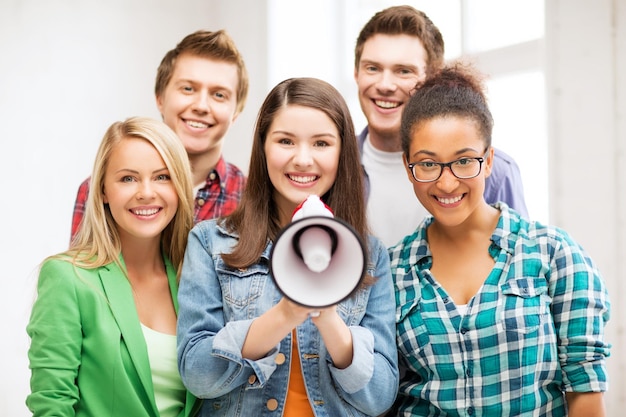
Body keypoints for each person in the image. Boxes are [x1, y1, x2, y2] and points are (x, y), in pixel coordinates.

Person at [389, 63, 611, 416]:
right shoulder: (392, 270)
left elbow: (585, 392)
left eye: (464, 161)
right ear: (407, 166)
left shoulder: (555, 254)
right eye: (428, 164)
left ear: (489, 160)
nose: (447, 184)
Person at [176, 77, 399, 416]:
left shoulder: (369, 256)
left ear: (342, 152)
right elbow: (197, 373)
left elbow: (380, 396)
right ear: (263, 146)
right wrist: (286, 314)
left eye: (322, 144)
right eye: (285, 141)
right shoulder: (210, 242)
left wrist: (326, 314)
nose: (303, 159)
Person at [27, 117, 201, 416]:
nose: (146, 192)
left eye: (162, 177)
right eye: (128, 178)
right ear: (103, 190)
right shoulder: (68, 277)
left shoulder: (197, 278)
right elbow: (51, 403)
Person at [354, 5, 529, 247]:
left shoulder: (496, 171)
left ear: (432, 78)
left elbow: (519, 260)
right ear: (356, 74)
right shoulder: (334, 165)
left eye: (404, 71)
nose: (385, 84)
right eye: (372, 68)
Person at [70, 29, 249, 241]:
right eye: (188, 88)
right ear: (160, 99)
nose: (201, 106)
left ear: (236, 112)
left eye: (219, 95)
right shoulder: (101, 191)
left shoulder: (252, 200)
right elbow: (80, 271)